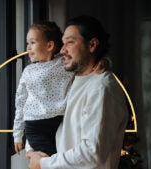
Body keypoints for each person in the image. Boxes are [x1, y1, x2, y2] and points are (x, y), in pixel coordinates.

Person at [28, 15, 128, 169]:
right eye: (63, 43)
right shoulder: (70, 79)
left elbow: (92, 154)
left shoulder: (101, 89)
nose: (62, 51)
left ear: (92, 44)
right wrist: (32, 149)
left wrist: (43, 163)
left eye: (70, 42)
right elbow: (42, 111)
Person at [12, 21, 75, 156]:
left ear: (49, 45)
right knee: (46, 160)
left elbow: (85, 61)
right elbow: (20, 102)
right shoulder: (28, 71)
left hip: (61, 121)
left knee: (61, 159)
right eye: (27, 43)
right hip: (36, 126)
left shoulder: (64, 63)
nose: (28, 47)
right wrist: (17, 134)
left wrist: (102, 62)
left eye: (33, 42)